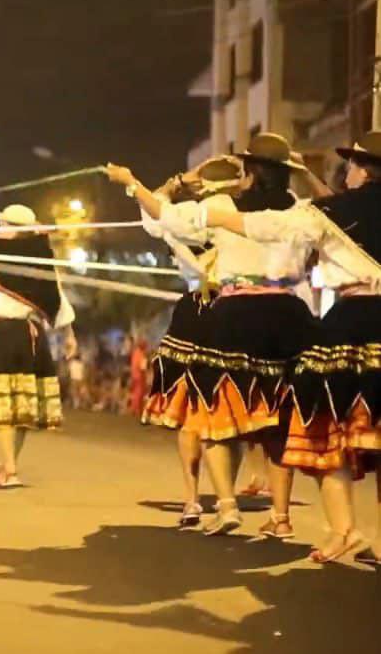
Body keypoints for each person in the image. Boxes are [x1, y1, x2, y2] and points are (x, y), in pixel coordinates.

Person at [114, 132, 316, 538]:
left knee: (216, 413)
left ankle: (226, 506)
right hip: (290, 314)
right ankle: (280, 518)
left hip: (237, 312)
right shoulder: (302, 211)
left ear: (250, 172)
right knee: (278, 420)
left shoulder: (222, 207)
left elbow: (162, 217)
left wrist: (132, 182)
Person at [197, 130, 381, 563]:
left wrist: (210, 214)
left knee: (326, 432)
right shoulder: (334, 208)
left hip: (354, 323)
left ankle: (344, 530)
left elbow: (273, 226)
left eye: (350, 165)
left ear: (360, 169)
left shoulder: (331, 212)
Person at [110, 155, 237, 529]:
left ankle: (192, 499)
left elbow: (154, 215)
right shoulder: (245, 216)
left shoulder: (190, 217)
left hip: (196, 311)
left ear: (202, 186)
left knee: (189, 410)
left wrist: (172, 181)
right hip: (235, 309)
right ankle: (234, 499)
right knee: (234, 407)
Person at [0, 204, 76, 488]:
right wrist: (70, 334)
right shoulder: (40, 258)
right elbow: (57, 298)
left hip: (4, 332)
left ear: (8, 226)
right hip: (32, 334)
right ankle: (8, 466)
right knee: (22, 406)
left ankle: (10, 469)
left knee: (5, 407)